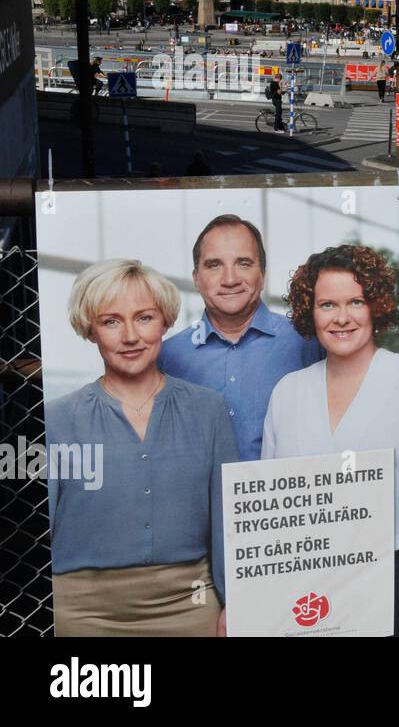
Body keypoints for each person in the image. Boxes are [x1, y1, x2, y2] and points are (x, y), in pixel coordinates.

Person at [47, 259, 237, 636]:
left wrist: (235, 600)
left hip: (190, 603)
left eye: (144, 318)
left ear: (165, 322)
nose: (130, 336)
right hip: (82, 611)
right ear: (90, 331)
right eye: (111, 321)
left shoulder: (207, 408)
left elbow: (228, 520)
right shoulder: (56, 419)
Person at [261, 244, 399, 636]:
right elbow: (269, 506)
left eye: (356, 302)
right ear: (310, 312)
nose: (342, 318)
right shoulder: (287, 392)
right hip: (304, 577)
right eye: (327, 305)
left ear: (375, 306)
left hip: (392, 570)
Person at [159, 214, 323, 461]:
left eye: (244, 263)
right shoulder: (166, 357)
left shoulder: (308, 342)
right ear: (196, 278)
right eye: (214, 265)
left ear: (263, 275)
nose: (230, 279)